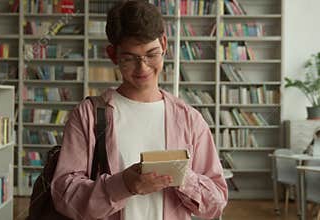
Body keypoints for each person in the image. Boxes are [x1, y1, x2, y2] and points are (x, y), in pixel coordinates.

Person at [51, 1, 228, 219]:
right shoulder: (88, 115)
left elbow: (217, 202)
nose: (142, 67)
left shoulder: (189, 119)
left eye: (151, 54)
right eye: (130, 58)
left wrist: (183, 177)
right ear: (113, 55)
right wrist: (122, 184)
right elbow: (63, 196)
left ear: (164, 44)